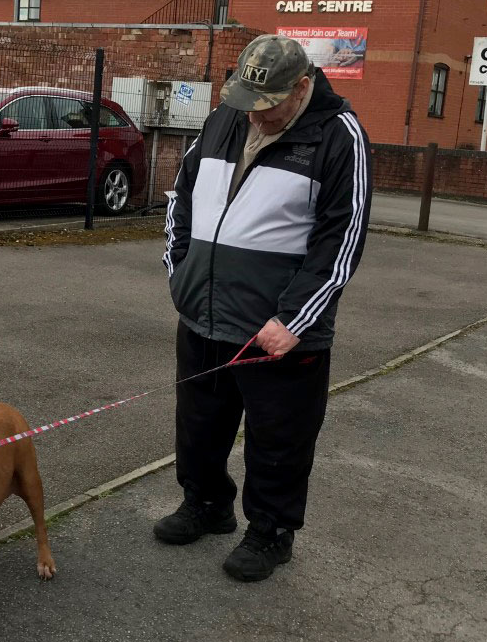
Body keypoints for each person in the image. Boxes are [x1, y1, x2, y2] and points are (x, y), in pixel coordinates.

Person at [158, 33, 373, 582]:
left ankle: (271, 532)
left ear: (301, 88)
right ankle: (206, 504)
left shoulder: (339, 135)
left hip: (278, 330)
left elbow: (340, 239)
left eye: (268, 105)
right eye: (247, 102)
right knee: (199, 424)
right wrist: (180, 273)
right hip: (204, 311)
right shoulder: (223, 118)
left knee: (279, 438)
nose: (255, 115)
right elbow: (182, 198)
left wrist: (294, 319)